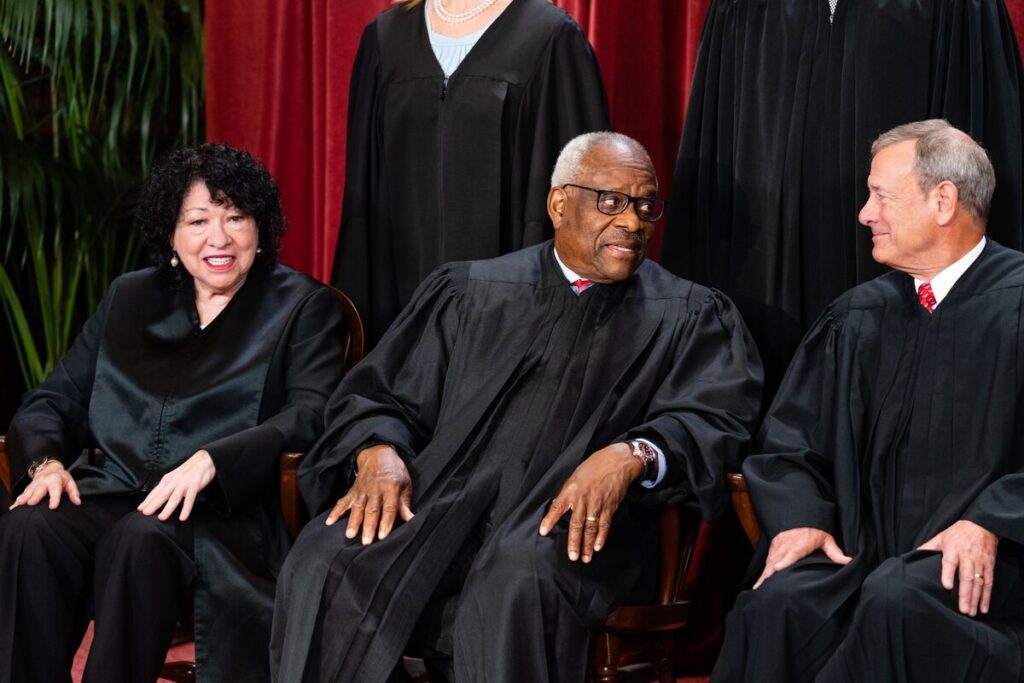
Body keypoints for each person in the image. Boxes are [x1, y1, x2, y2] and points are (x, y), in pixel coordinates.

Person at [271, 132, 763, 683]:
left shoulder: (689, 315)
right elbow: (378, 394)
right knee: (327, 558)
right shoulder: (470, 292)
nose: (632, 221)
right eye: (611, 201)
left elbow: (715, 419)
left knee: (516, 575)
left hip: (579, 525)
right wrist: (377, 451)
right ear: (559, 204)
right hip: (439, 501)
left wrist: (635, 453)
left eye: (645, 205)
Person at [0, 144, 347, 683]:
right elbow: (53, 398)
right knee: (30, 527)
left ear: (260, 227)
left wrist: (215, 460)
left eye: (236, 217)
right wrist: (45, 464)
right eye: (198, 221)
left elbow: (311, 414)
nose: (219, 238)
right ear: (171, 233)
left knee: (138, 539)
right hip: (116, 488)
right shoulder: (129, 297)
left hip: (219, 512)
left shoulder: (304, 305)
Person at [714, 120, 1024, 682]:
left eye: (881, 196)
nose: (864, 214)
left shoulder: (1017, 303)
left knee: (896, 597)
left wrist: (991, 519)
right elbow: (790, 444)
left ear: (943, 201)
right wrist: (802, 518)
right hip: (862, 551)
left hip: (996, 559)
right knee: (778, 605)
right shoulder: (857, 317)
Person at [660, 0, 1024, 401]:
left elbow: (988, 167)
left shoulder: (959, 10)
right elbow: (712, 172)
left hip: (930, 345)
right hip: (765, 305)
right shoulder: (743, 11)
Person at [332, 0, 609, 345]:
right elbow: (362, 204)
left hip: (516, 321)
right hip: (399, 321)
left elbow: (582, 200)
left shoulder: (550, 36)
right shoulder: (386, 37)